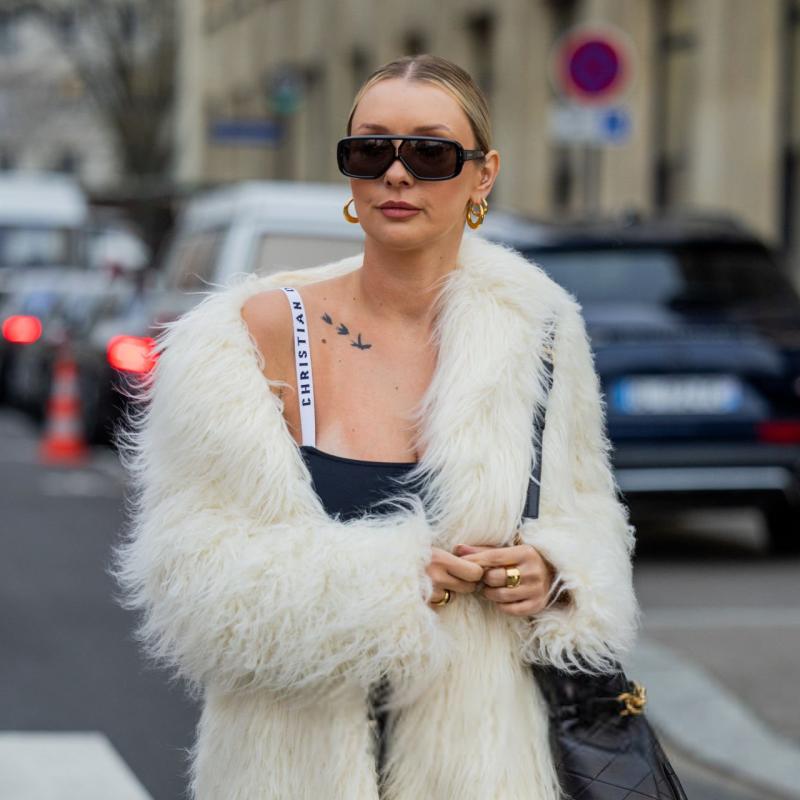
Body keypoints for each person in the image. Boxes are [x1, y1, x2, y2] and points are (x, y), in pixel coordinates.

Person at [113, 54, 640, 800]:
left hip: (484, 769)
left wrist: (554, 573)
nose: (396, 173)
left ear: (482, 176)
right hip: (291, 771)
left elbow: (589, 517)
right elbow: (189, 584)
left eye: (430, 153)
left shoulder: (539, 331)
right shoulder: (250, 335)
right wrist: (393, 582)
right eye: (370, 151)